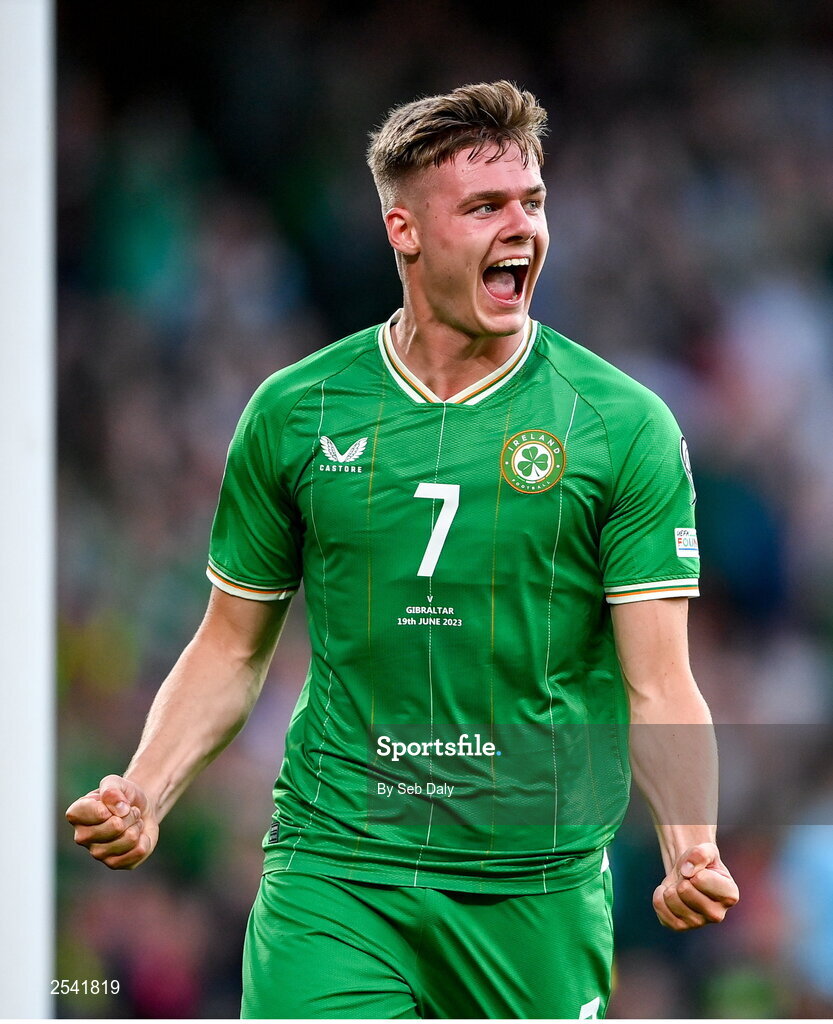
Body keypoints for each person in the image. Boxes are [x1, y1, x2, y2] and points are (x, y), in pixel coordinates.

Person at [67, 80, 739, 1019]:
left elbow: (658, 682)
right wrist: (144, 788)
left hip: (528, 886)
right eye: (484, 207)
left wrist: (689, 843)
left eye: (532, 203)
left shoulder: (619, 425)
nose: (523, 228)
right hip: (335, 868)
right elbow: (229, 645)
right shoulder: (297, 413)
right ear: (404, 231)